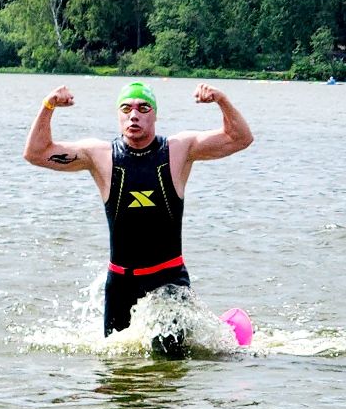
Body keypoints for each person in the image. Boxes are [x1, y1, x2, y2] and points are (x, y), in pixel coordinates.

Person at [23, 80, 253, 355]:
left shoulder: (178, 150)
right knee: (116, 366)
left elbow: (240, 138)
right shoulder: (100, 156)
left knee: (168, 360)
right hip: (121, 285)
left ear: (155, 115)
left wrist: (221, 100)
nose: (134, 115)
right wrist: (48, 105)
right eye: (126, 108)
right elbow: (35, 153)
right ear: (118, 115)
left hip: (168, 282)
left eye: (143, 108)